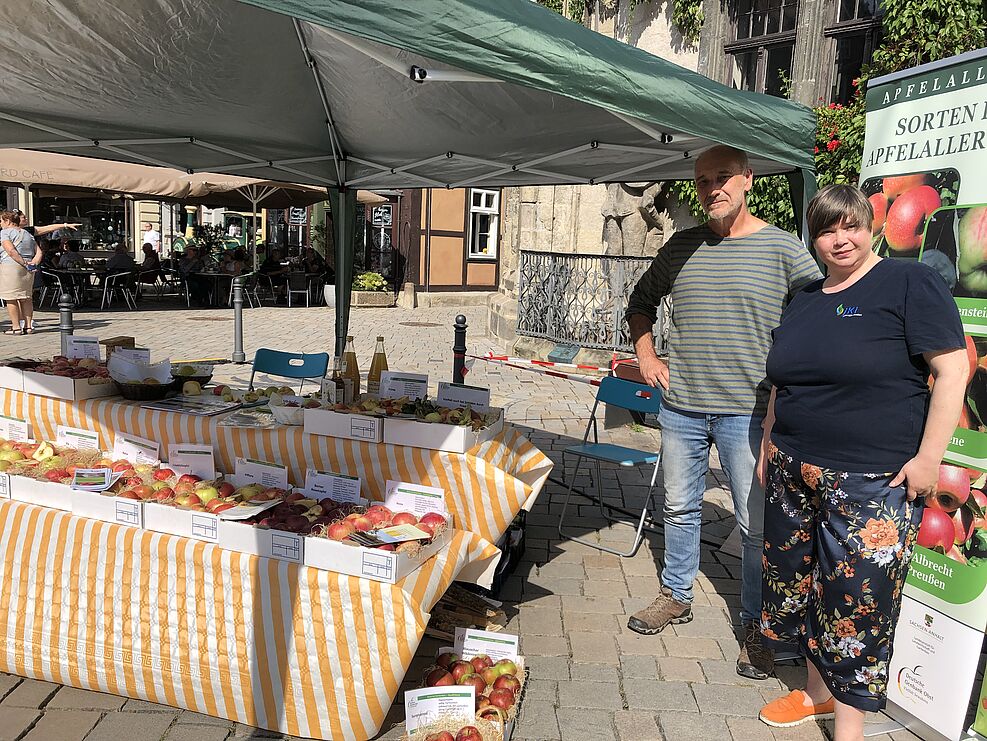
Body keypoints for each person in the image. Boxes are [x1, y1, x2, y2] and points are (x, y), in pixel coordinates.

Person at [756, 185, 967, 739]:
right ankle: (814, 695)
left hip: (869, 480)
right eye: (827, 230)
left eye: (849, 225)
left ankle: (849, 730)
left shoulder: (909, 282)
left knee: (857, 604)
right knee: (796, 586)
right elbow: (783, 380)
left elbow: (952, 371)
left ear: (870, 225)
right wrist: (770, 440)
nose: (839, 239)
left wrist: (928, 458)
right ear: (815, 238)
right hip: (792, 469)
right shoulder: (803, 295)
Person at [623, 145, 822, 679]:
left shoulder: (782, 250)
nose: (714, 187)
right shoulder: (681, 246)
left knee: (755, 525)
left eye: (724, 177)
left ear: (748, 180)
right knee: (680, 509)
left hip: (750, 414)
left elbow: (818, 316)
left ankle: (755, 626)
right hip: (682, 407)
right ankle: (676, 594)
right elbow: (639, 303)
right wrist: (646, 353)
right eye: (704, 179)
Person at [0, 210, 42, 334]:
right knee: (26, 297)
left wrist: (23, 262)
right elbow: (39, 251)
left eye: (1, 221)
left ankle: (16, 327)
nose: (0, 224)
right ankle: (28, 326)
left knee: (11, 298)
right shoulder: (28, 234)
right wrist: (33, 263)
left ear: (8, 221)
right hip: (29, 268)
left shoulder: (5, 233)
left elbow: (11, 251)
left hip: (11, 266)